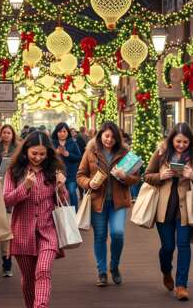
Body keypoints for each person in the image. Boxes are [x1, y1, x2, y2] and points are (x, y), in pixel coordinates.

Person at [4, 131, 68, 308]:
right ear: (26, 151)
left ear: (48, 153)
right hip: (22, 234)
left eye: (42, 154)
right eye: (34, 153)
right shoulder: (14, 171)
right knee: (29, 278)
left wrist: (61, 187)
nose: (38, 157)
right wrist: (25, 187)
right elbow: (7, 200)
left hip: (48, 231)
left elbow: (64, 201)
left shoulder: (53, 172)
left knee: (43, 271)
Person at [144, 123, 193, 301]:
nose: (181, 145)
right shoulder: (161, 152)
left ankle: (181, 285)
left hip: (185, 207)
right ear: (171, 139)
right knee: (168, 247)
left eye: (185, 142)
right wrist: (160, 176)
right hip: (164, 207)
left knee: (184, 245)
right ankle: (166, 271)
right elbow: (147, 175)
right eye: (178, 141)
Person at [76, 121, 138, 287]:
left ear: (117, 137)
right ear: (100, 135)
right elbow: (80, 175)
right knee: (100, 237)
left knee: (118, 233)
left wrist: (124, 176)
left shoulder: (126, 153)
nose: (109, 140)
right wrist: (89, 183)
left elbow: (136, 178)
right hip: (98, 202)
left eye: (112, 137)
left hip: (118, 202)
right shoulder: (90, 152)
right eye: (106, 136)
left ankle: (115, 265)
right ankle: (102, 271)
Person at [0, 124, 19, 278]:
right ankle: (6, 260)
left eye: (8, 133)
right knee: (3, 228)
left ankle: (7, 262)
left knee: (8, 229)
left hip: (12, 191)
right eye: (4, 132)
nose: (6, 135)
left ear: (12, 135)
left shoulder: (18, 150)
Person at [52, 122, 83, 207]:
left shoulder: (72, 142)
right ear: (56, 132)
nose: (62, 133)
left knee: (72, 191)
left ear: (67, 132)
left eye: (64, 131)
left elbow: (79, 157)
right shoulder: (52, 143)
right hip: (57, 173)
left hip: (71, 173)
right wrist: (56, 153)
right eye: (60, 131)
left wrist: (68, 154)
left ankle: (74, 214)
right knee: (59, 193)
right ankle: (61, 214)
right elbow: (47, 157)